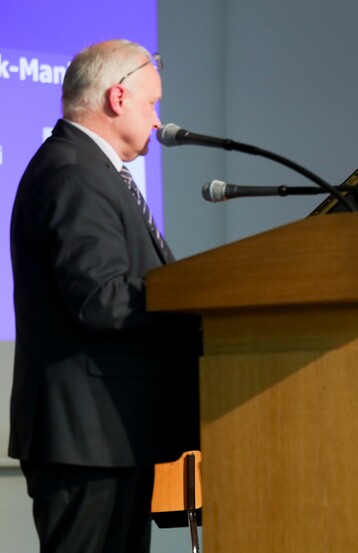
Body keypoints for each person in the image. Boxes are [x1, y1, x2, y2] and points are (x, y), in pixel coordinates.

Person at [8, 39, 200, 553]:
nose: (157, 120)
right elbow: (102, 298)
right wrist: (196, 301)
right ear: (117, 98)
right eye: (152, 104)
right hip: (87, 438)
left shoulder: (88, 168)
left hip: (109, 434)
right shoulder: (74, 171)